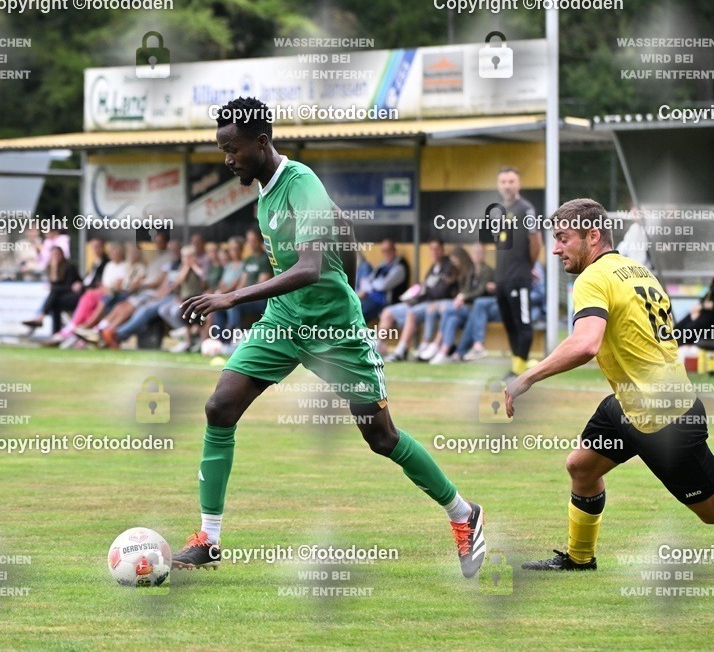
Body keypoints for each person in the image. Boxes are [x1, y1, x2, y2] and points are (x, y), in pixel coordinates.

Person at [170, 97, 486, 578]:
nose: (227, 159)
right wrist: (351, 284)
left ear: (261, 142)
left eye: (232, 150)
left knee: (382, 438)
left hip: (334, 331)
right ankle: (209, 540)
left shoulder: (301, 184)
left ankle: (463, 514)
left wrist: (233, 298)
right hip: (284, 322)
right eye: (222, 150)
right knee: (220, 407)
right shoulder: (265, 187)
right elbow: (342, 225)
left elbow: (312, 266)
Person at [505, 198, 714, 571]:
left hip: (664, 420)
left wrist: (525, 378)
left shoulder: (592, 278)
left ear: (593, 235)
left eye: (563, 238)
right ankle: (580, 558)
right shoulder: (635, 270)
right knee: (582, 468)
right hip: (630, 404)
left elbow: (586, 344)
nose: (555, 248)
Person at [491, 167, 543, 377]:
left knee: (523, 322)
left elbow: (536, 241)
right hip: (502, 279)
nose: (507, 185)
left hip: (519, 277)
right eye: (503, 181)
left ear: (518, 184)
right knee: (509, 323)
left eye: (511, 181)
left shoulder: (526, 209)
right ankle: (517, 363)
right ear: (498, 185)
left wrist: (527, 268)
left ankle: (519, 367)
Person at [379, 237, 458, 362]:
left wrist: (425, 290)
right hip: (420, 302)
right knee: (387, 312)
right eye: (431, 249)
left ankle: (401, 350)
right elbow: (425, 288)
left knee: (412, 313)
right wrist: (414, 296)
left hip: (435, 304)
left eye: (437, 249)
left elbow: (441, 292)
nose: (434, 252)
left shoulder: (449, 267)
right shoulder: (432, 268)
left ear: (443, 250)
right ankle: (377, 346)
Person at [429, 243, 495, 364]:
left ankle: (436, 343)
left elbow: (480, 291)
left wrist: (463, 297)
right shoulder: (471, 271)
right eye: (475, 253)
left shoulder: (487, 270)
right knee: (452, 319)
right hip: (468, 307)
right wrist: (461, 297)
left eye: (480, 253)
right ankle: (445, 351)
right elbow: (465, 289)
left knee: (448, 310)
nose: (478, 255)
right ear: (471, 255)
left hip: (477, 308)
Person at [672, 246, 714, 343]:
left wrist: (706, 306)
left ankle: (672, 353)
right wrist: (699, 306)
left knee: (687, 332)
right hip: (706, 312)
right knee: (676, 329)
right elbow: (708, 295)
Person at [356, 239, 408, 323]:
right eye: (384, 251)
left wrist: (371, 285)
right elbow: (367, 281)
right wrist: (373, 284)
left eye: (388, 250)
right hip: (371, 297)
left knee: (357, 315)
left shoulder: (400, 267)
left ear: (394, 250)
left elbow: (383, 285)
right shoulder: (382, 264)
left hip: (383, 301)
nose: (386, 253)